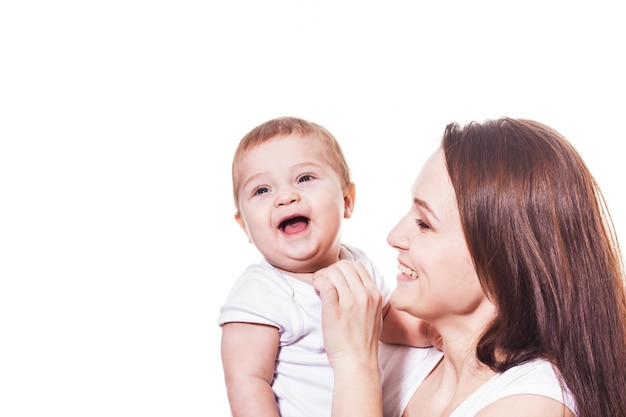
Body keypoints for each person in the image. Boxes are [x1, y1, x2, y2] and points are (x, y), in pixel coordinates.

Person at [314, 117, 626, 417]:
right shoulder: (400, 354)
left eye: (424, 223)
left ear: (501, 260)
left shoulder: (535, 404)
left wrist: (356, 364)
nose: (394, 236)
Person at [218, 116, 435, 417]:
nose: (285, 196)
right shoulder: (260, 294)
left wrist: (431, 332)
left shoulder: (356, 263)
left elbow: (387, 320)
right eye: (262, 190)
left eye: (304, 179)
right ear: (244, 226)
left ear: (347, 200)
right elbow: (247, 383)